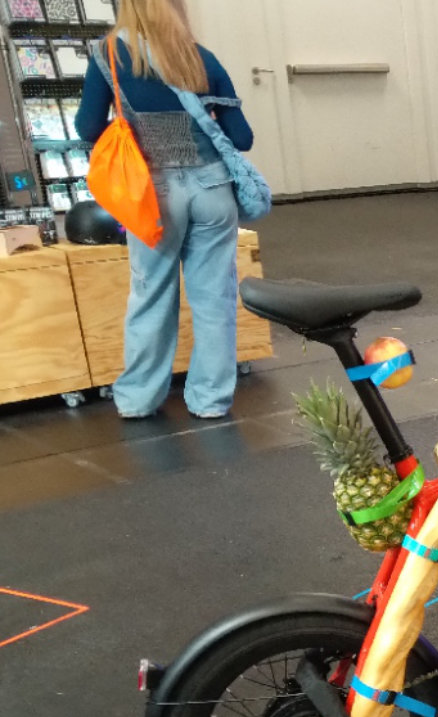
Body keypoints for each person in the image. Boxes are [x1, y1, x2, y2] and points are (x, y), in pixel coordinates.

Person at [75, 0, 254, 419]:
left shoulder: (108, 55)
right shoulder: (200, 57)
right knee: (215, 299)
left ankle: (139, 399)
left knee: (151, 294)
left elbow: (87, 127)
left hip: (152, 195)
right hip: (213, 190)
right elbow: (242, 138)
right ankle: (211, 400)